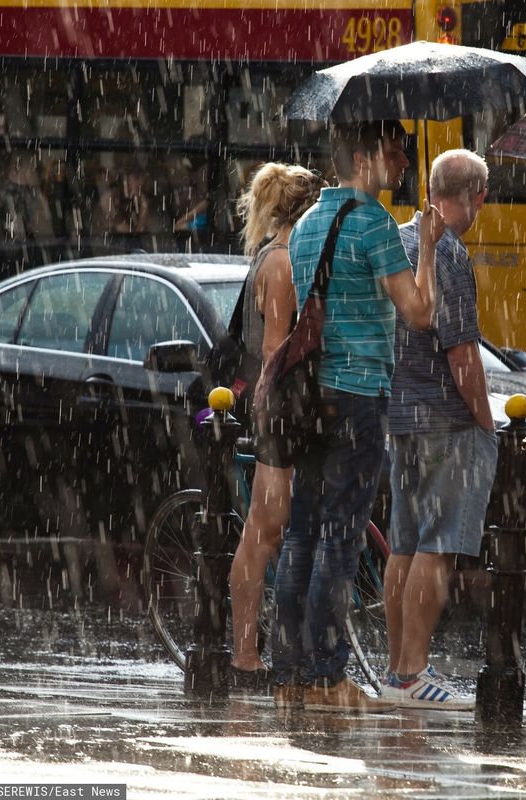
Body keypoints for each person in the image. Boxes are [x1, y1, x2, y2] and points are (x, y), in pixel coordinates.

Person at [272, 121, 445, 712]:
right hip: (359, 397)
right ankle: (327, 676)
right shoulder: (372, 223)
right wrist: (427, 244)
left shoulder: (305, 225)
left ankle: (290, 672)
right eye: (395, 153)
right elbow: (419, 312)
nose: (401, 164)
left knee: (302, 531)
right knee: (341, 538)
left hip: (310, 401)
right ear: (366, 156)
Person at [381, 150, 497, 710]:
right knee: (440, 543)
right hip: (445, 420)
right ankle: (414, 669)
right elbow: (462, 354)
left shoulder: (402, 242)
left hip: (398, 415)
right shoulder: (447, 252)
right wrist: (485, 419)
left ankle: (396, 673)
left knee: (404, 545)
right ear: (476, 196)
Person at [227, 163, 324, 689]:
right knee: (263, 532)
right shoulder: (283, 262)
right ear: (306, 211)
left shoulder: (273, 253)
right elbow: (272, 350)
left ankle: (255, 647)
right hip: (280, 412)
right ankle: (244, 654)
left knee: (268, 531)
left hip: (277, 410)